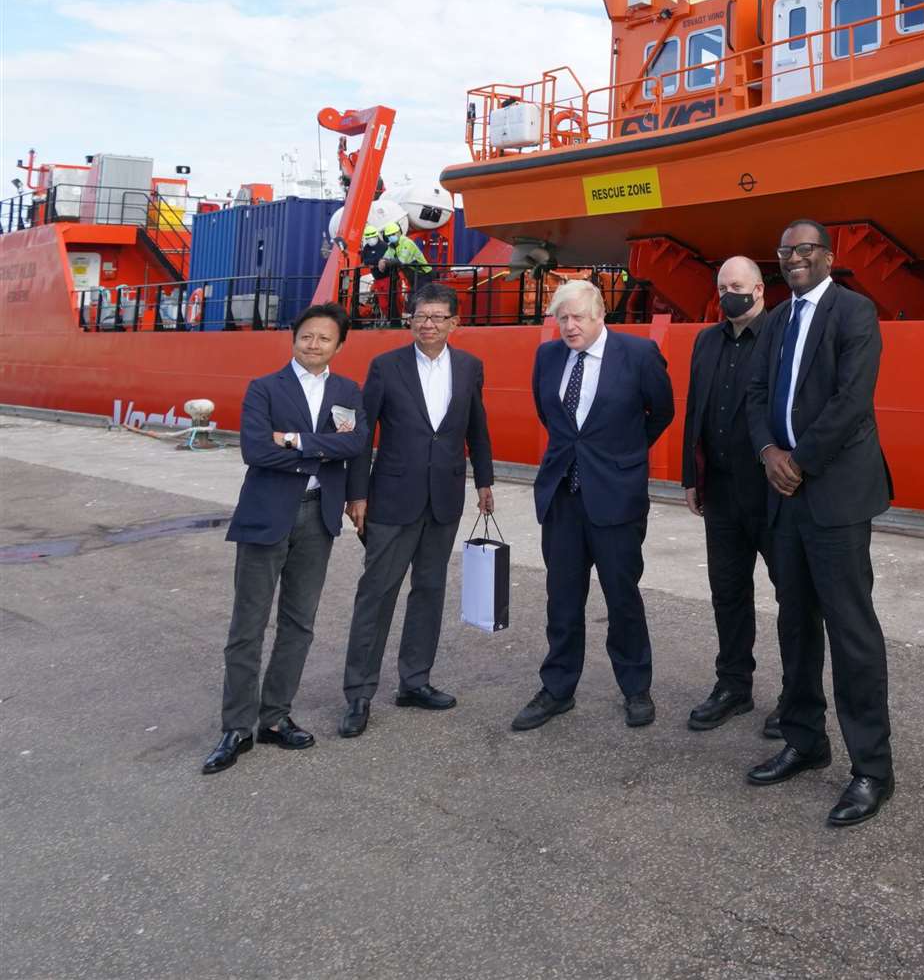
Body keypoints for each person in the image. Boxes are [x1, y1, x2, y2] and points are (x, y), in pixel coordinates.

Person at [745, 220, 894, 827]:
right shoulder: (776, 321)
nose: (794, 259)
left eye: (805, 250)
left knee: (851, 631)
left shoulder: (855, 313)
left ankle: (872, 771)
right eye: (785, 251)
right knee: (795, 625)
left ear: (827, 256)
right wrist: (767, 455)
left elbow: (852, 402)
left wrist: (798, 461)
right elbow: (757, 395)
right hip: (785, 495)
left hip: (834, 495)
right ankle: (806, 740)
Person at [201, 303, 368, 775]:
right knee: (248, 626)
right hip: (266, 515)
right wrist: (322, 452)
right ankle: (236, 726)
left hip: (319, 517)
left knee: (299, 623)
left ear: (339, 345)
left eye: (324, 339)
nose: (314, 345)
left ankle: (274, 716)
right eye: (307, 336)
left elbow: (355, 446)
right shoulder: (264, 388)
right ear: (294, 339)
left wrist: (294, 441)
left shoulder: (347, 391)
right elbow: (255, 449)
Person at [512, 281, 674, 732]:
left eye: (578, 316)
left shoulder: (637, 356)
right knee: (561, 598)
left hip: (615, 496)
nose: (569, 326)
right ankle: (558, 688)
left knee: (622, 596)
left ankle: (636, 687)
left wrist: (623, 455)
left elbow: (660, 411)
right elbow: (553, 419)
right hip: (563, 495)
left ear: (601, 314)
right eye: (562, 318)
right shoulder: (548, 357)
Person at [339, 283, 494, 736]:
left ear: (454, 323)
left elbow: (477, 428)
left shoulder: (469, 367)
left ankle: (415, 681)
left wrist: (484, 480)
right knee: (377, 593)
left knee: (429, 590)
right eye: (420, 316)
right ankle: (359, 694)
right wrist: (357, 494)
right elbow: (361, 434)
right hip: (391, 499)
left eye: (438, 317)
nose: (428, 324)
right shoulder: (386, 367)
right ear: (409, 320)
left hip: (444, 498)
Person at [681, 256, 786, 738]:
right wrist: (690, 478)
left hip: (772, 492)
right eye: (722, 287)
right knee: (727, 592)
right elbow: (695, 412)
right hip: (720, 490)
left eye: (737, 286)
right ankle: (733, 685)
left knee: (793, 595)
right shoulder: (705, 341)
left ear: (761, 289)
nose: (729, 294)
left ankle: (796, 696)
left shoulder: (781, 338)